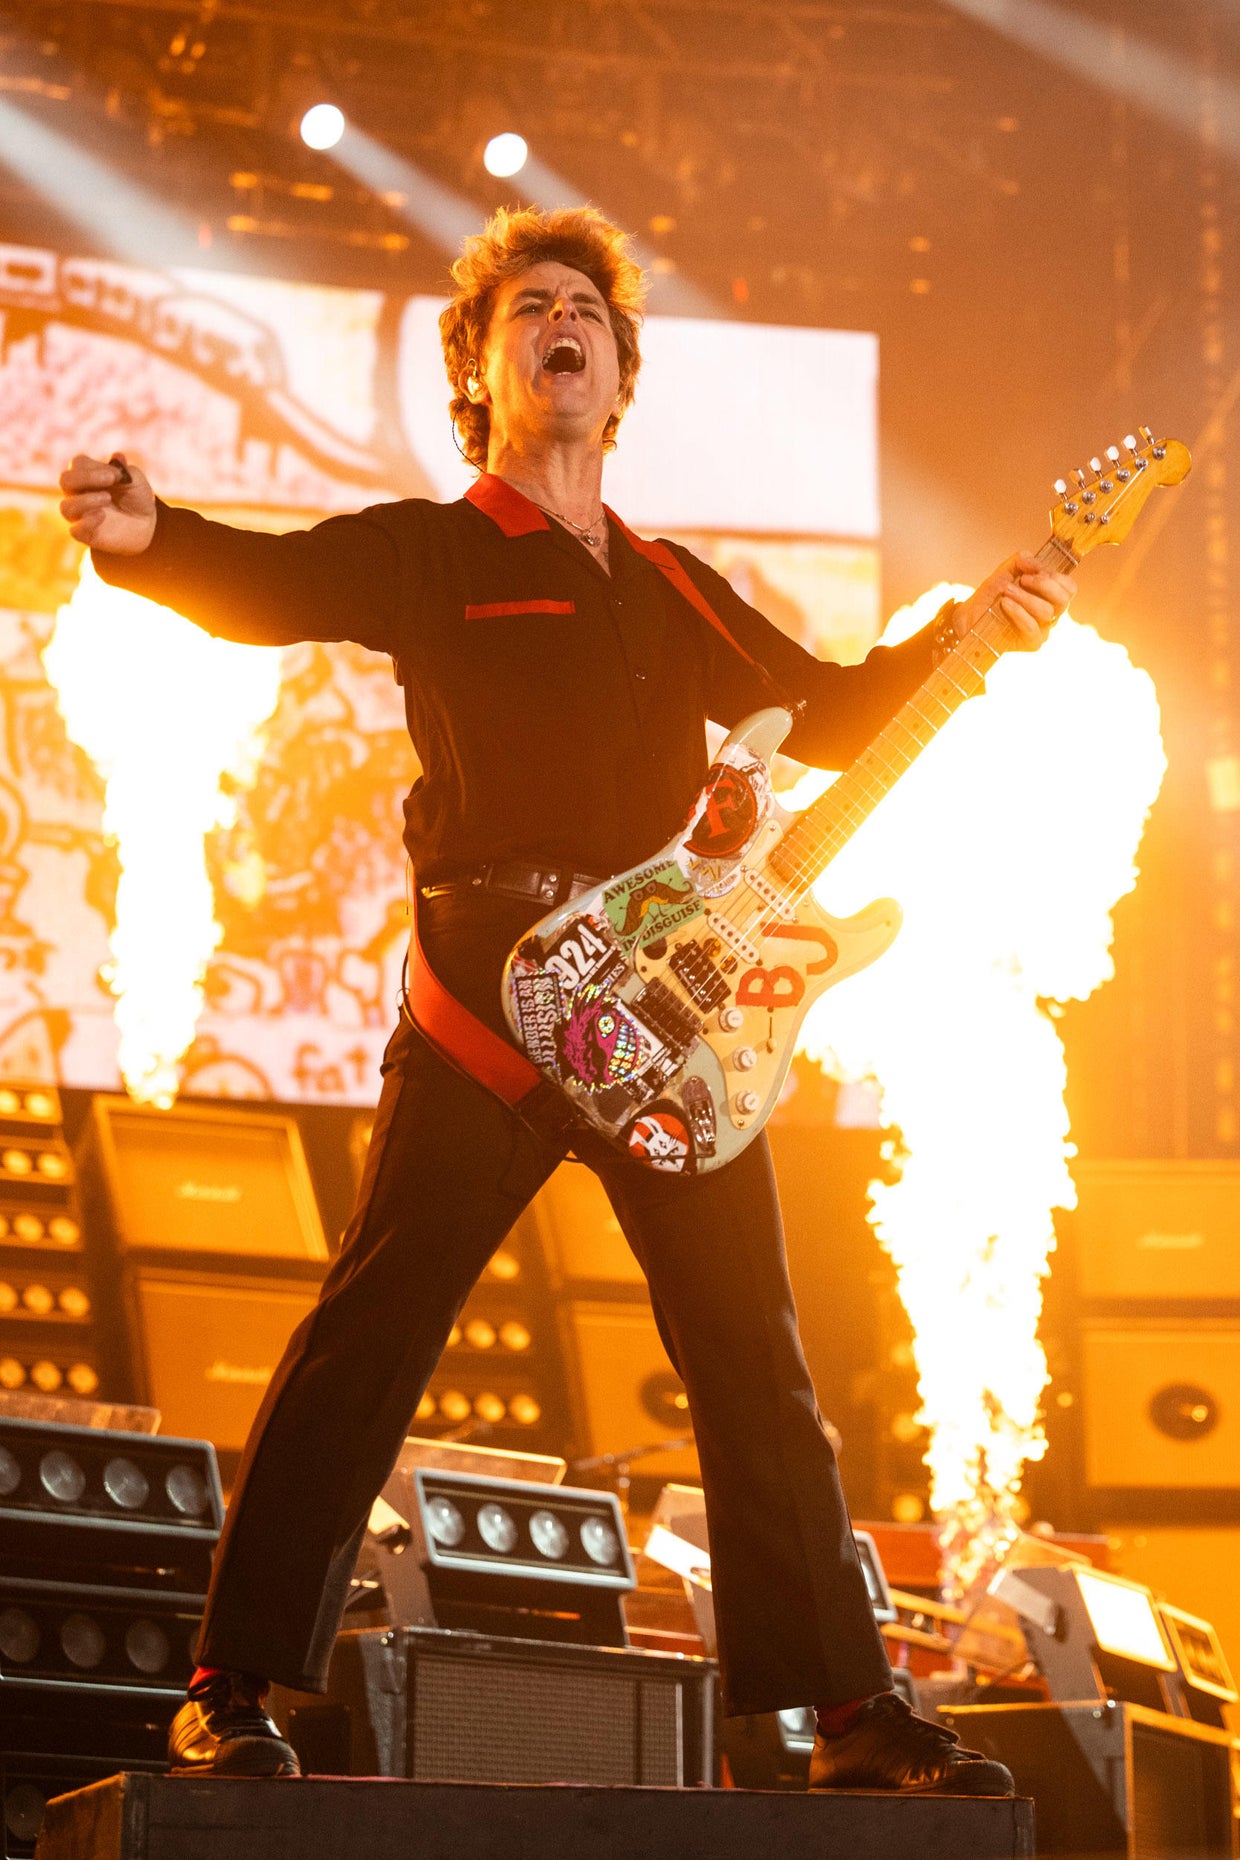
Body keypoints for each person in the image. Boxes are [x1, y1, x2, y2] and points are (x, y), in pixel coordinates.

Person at [58, 205, 1074, 1793]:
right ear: (484, 365)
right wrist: (145, 537)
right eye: (531, 306)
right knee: (374, 1329)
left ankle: (841, 1713)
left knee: (756, 1353)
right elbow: (272, 581)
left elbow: (830, 702)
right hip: (489, 1002)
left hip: (668, 1022)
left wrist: (976, 629)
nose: (566, 321)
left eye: (587, 307)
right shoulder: (439, 547)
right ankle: (232, 1684)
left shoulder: (673, 582)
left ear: (618, 367)